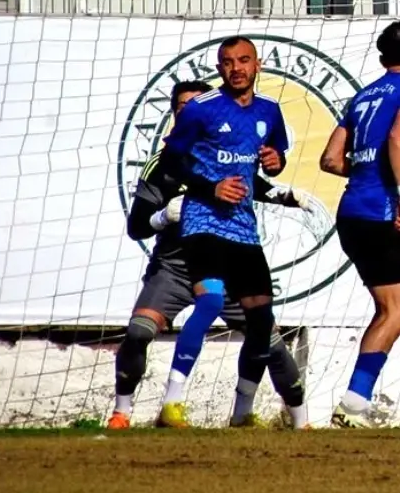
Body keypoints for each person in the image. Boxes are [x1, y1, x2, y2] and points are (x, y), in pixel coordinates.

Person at [108, 79, 311, 429]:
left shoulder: (226, 151)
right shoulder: (164, 164)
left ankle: (301, 422)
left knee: (270, 340)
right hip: (175, 268)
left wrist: (283, 195)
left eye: (197, 105)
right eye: (182, 106)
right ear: (175, 114)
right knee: (139, 332)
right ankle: (121, 412)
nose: (190, 111)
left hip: (226, 266)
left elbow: (255, 185)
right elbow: (137, 226)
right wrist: (161, 216)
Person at [154, 37, 291, 429]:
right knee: (211, 302)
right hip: (202, 219)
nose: (236, 68)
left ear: (257, 65)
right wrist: (209, 187)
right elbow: (170, 163)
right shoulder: (201, 110)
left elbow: (274, 161)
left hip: (243, 227)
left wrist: (275, 161)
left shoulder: (269, 111)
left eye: (243, 60)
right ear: (219, 69)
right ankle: (172, 402)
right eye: (228, 62)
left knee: (261, 321)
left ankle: (242, 413)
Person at [320, 21, 400, 428]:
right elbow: (398, 136)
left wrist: (366, 167)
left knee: (390, 310)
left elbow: (331, 160)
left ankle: (356, 401)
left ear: (383, 58)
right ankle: (354, 404)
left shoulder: (362, 95)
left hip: (351, 211)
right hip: (380, 211)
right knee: (399, 313)